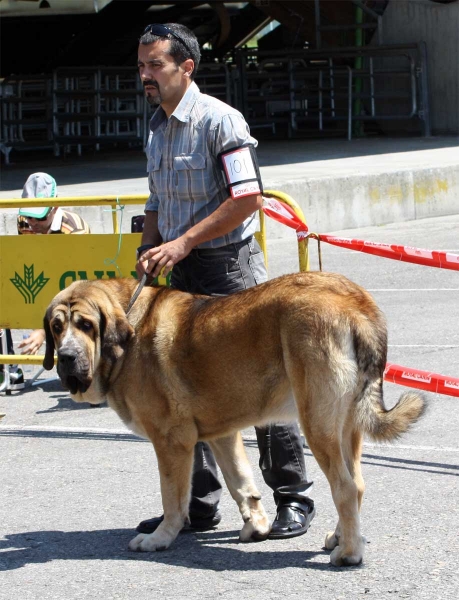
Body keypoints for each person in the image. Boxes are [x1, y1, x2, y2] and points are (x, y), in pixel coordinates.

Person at [134, 23, 315, 540]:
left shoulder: (220, 120)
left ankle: (292, 498)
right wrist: (148, 248)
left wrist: (183, 241)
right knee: (183, 391)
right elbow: (155, 201)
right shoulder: (156, 125)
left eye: (155, 66)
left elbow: (247, 200)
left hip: (228, 270)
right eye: (141, 65)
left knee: (266, 384)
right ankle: (198, 505)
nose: (145, 75)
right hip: (177, 271)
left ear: (186, 68)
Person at [17, 172, 91, 356]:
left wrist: (43, 330)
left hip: (72, 290)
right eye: (28, 216)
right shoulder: (23, 223)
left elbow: (75, 286)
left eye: (39, 217)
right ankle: (9, 367)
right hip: (43, 278)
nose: (32, 223)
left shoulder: (75, 230)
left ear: (55, 207)